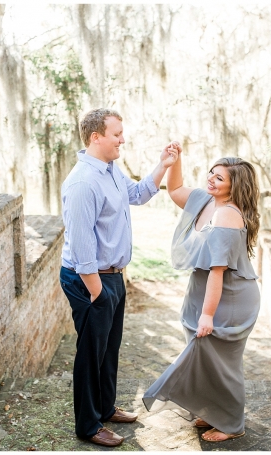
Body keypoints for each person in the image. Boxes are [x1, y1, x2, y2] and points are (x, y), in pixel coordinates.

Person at [59, 108, 178, 447]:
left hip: (112, 276)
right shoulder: (83, 183)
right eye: (116, 134)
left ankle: (106, 408)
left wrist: (163, 166)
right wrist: (98, 294)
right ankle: (88, 425)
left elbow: (137, 194)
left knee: (109, 349)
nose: (122, 139)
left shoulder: (111, 170)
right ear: (96, 137)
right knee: (90, 354)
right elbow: (82, 251)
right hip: (89, 280)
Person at [142, 146, 262, 442]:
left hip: (229, 298)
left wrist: (207, 315)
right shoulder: (204, 200)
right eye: (211, 172)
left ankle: (232, 424)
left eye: (219, 178)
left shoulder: (226, 215)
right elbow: (175, 189)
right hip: (204, 290)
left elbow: (218, 272)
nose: (211, 180)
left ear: (235, 187)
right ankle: (212, 412)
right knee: (203, 357)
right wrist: (175, 160)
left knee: (222, 364)